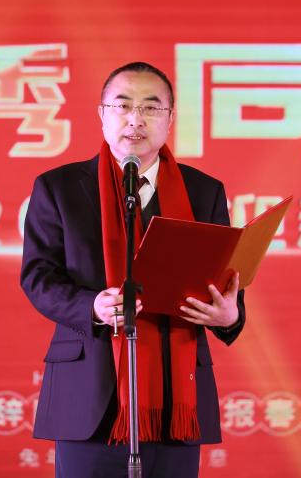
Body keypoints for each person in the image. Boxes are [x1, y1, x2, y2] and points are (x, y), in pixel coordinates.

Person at [20, 61, 245, 478]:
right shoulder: (59, 187)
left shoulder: (203, 191)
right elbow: (39, 277)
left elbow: (223, 281)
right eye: (122, 105)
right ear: (102, 114)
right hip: (89, 395)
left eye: (151, 107)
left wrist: (230, 316)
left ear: (170, 118)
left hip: (174, 399)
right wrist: (92, 307)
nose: (135, 119)